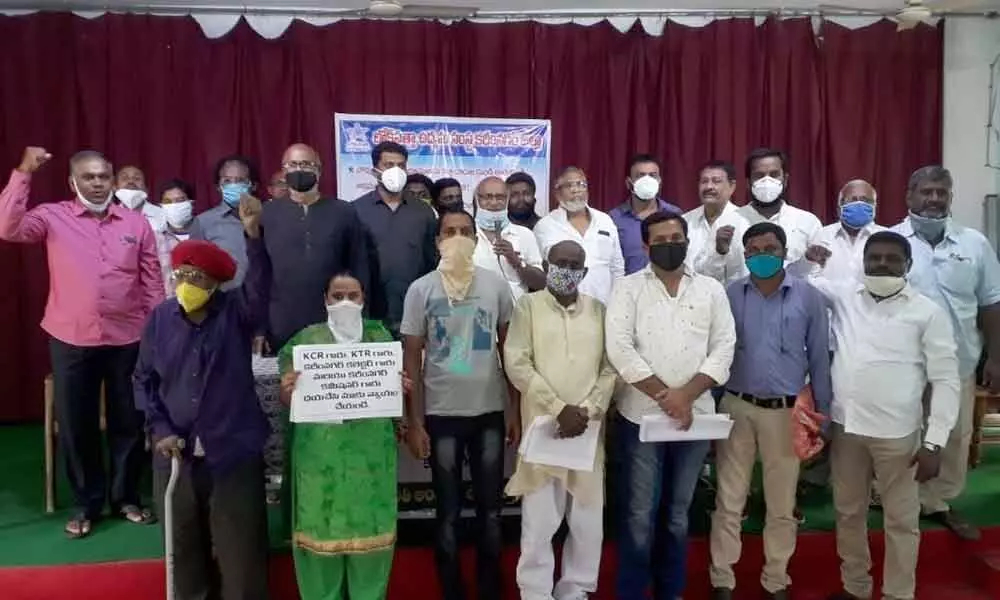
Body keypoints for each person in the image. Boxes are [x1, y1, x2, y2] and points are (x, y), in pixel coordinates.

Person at [0, 147, 163, 538]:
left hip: (128, 339)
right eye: (88, 177)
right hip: (71, 338)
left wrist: (157, 332)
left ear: (112, 180)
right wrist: (24, 172)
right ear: (73, 182)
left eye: (103, 176)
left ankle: (126, 497)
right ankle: (86, 503)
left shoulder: (135, 223)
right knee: (77, 425)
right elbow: (8, 227)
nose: (97, 183)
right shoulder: (51, 217)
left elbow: (152, 280)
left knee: (130, 420)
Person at [807, 231, 959, 600]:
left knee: (901, 522)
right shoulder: (845, 297)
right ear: (864, 262)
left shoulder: (927, 312)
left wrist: (935, 441)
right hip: (847, 432)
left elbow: (946, 381)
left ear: (908, 265)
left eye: (892, 258)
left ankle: (898, 594)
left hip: (899, 437)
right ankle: (855, 588)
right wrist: (813, 260)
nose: (882, 264)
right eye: (875, 257)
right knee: (848, 514)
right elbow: (808, 283)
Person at [605, 211, 736, 599]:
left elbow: (724, 347)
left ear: (687, 240)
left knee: (678, 515)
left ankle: (671, 590)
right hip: (642, 416)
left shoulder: (711, 289)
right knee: (640, 515)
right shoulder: (627, 289)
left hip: (695, 420)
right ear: (645, 246)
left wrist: (686, 396)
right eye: (659, 240)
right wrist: (668, 396)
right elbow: (620, 350)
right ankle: (631, 592)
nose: (669, 245)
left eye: (675, 237)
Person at [135, 237, 270, 600]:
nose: (188, 284)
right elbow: (143, 379)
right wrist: (160, 429)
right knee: (182, 551)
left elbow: (259, 287)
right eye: (182, 274)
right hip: (174, 456)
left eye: (198, 277)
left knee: (240, 552)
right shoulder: (161, 318)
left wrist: (254, 239)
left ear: (216, 283)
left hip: (232, 451)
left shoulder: (236, 312)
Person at [709, 222, 832, 600]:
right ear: (745, 255)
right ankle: (722, 579)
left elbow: (821, 359)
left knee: (782, 503)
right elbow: (717, 352)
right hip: (736, 407)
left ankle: (776, 579)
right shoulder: (730, 294)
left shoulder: (809, 297)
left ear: (784, 251)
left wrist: (823, 416)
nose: (764, 255)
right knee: (729, 499)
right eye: (755, 249)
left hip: (787, 413)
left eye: (771, 247)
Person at [401, 209, 519, 600]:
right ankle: (452, 590)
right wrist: (414, 423)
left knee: (490, 512)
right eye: (449, 231)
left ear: (476, 238)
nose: (457, 237)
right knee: (448, 513)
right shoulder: (421, 289)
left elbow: (511, 354)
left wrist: (514, 411)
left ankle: (489, 589)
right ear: (437, 241)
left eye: (465, 231)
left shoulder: (496, 286)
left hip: (488, 413)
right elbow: (411, 363)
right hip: (441, 415)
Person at [278, 272, 411, 600]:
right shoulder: (304, 342)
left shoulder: (380, 339)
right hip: (318, 463)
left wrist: (400, 387)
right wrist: (287, 389)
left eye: (353, 294)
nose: (346, 302)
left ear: (364, 299)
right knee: (320, 549)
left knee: (371, 551)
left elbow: (395, 392)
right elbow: (287, 399)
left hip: (370, 464)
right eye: (338, 296)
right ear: (325, 299)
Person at [504, 240, 617, 600]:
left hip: (587, 430)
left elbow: (610, 367)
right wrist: (558, 408)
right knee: (538, 525)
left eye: (573, 264)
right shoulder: (528, 307)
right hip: (544, 429)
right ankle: (535, 594)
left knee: (587, 525)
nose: (566, 269)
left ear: (583, 273)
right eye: (559, 262)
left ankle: (576, 592)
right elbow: (517, 363)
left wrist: (588, 409)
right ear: (546, 264)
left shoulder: (599, 311)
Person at [892, 165, 1000, 540]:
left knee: (954, 434)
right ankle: (900, 499)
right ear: (909, 196)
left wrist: (996, 358)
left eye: (942, 192)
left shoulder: (974, 244)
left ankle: (938, 502)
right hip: (902, 363)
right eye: (927, 191)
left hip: (959, 361)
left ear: (950, 198)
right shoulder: (890, 241)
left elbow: (990, 303)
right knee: (903, 432)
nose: (934, 198)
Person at [248, 143, 373, 350]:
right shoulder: (267, 214)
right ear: (284, 169)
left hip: (334, 321)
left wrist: (362, 318)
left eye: (306, 164)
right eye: (293, 164)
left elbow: (359, 267)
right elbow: (259, 275)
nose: (299, 170)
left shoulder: (343, 212)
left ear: (319, 170)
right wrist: (259, 328)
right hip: (282, 323)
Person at [354, 142, 438, 339]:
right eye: (388, 165)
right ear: (375, 170)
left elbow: (431, 262)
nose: (396, 171)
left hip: (415, 310)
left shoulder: (423, 212)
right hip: (370, 314)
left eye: (401, 166)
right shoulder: (356, 210)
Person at [534, 167, 625, 305]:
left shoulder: (604, 220)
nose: (576, 190)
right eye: (569, 185)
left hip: (604, 306)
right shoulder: (544, 226)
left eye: (581, 184)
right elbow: (541, 271)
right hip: (561, 307)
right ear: (557, 193)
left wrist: (618, 303)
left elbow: (617, 267)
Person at [737, 148, 822, 276]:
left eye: (774, 174)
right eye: (759, 175)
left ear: (785, 179)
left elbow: (818, 272)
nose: (767, 181)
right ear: (748, 183)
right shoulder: (730, 221)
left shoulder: (808, 222)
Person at [190, 154, 260, 290]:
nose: (233, 185)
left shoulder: (267, 217)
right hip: (223, 302)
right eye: (227, 181)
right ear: (218, 186)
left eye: (240, 180)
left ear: (253, 185)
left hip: (264, 300)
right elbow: (196, 269)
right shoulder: (203, 222)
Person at [471, 176, 545, 301]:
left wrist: (517, 262)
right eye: (488, 197)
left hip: (517, 315)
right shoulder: (465, 232)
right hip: (477, 314)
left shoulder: (525, 234)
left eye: (500, 197)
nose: (494, 203)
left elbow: (540, 283)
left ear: (507, 200)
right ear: (477, 200)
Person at [609, 154, 683, 275]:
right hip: (628, 289)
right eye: (640, 176)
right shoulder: (614, 218)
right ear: (629, 183)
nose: (647, 180)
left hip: (665, 287)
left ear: (659, 182)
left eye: (653, 176)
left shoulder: (674, 215)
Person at [805, 180, 886, 284]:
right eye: (852, 200)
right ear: (839, 208)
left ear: (874, 207)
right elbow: (808, 277)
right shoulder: (821, 235)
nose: (859, 204)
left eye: (865, 200)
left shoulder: (887, 237)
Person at [683, 160, 750, 284]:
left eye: (716, 181)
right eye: (704, 181)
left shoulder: (745, 221)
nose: (709, 187)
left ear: (732, 186)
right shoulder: (685, 222)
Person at [156, 178, 196, 296]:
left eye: (180, 200)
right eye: (168, 202)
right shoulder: (156, 238)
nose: (174, 206)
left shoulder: (204, 233)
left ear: (191, 202)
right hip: (168, 306)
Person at [115, 164, 166, 233]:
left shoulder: (162, 214)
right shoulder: (108, 216)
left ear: (146, 188)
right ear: (115, 187)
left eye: (137, 178)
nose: (131, 182)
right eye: (125, 178)